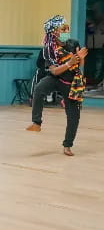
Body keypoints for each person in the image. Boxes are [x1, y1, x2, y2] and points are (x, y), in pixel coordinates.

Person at [26, 15, 88, 156]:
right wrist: (68, 63)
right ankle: (36, 123)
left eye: (67, 28)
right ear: (54, 32)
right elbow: (54, 70)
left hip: (71, 83)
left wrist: (81, 59)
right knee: (39, 88)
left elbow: (79, 66)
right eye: (63, 28)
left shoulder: (73, 43)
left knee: (74, 116)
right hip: (56, 78)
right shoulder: (48, 50)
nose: (66, 30)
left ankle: (67, 145)